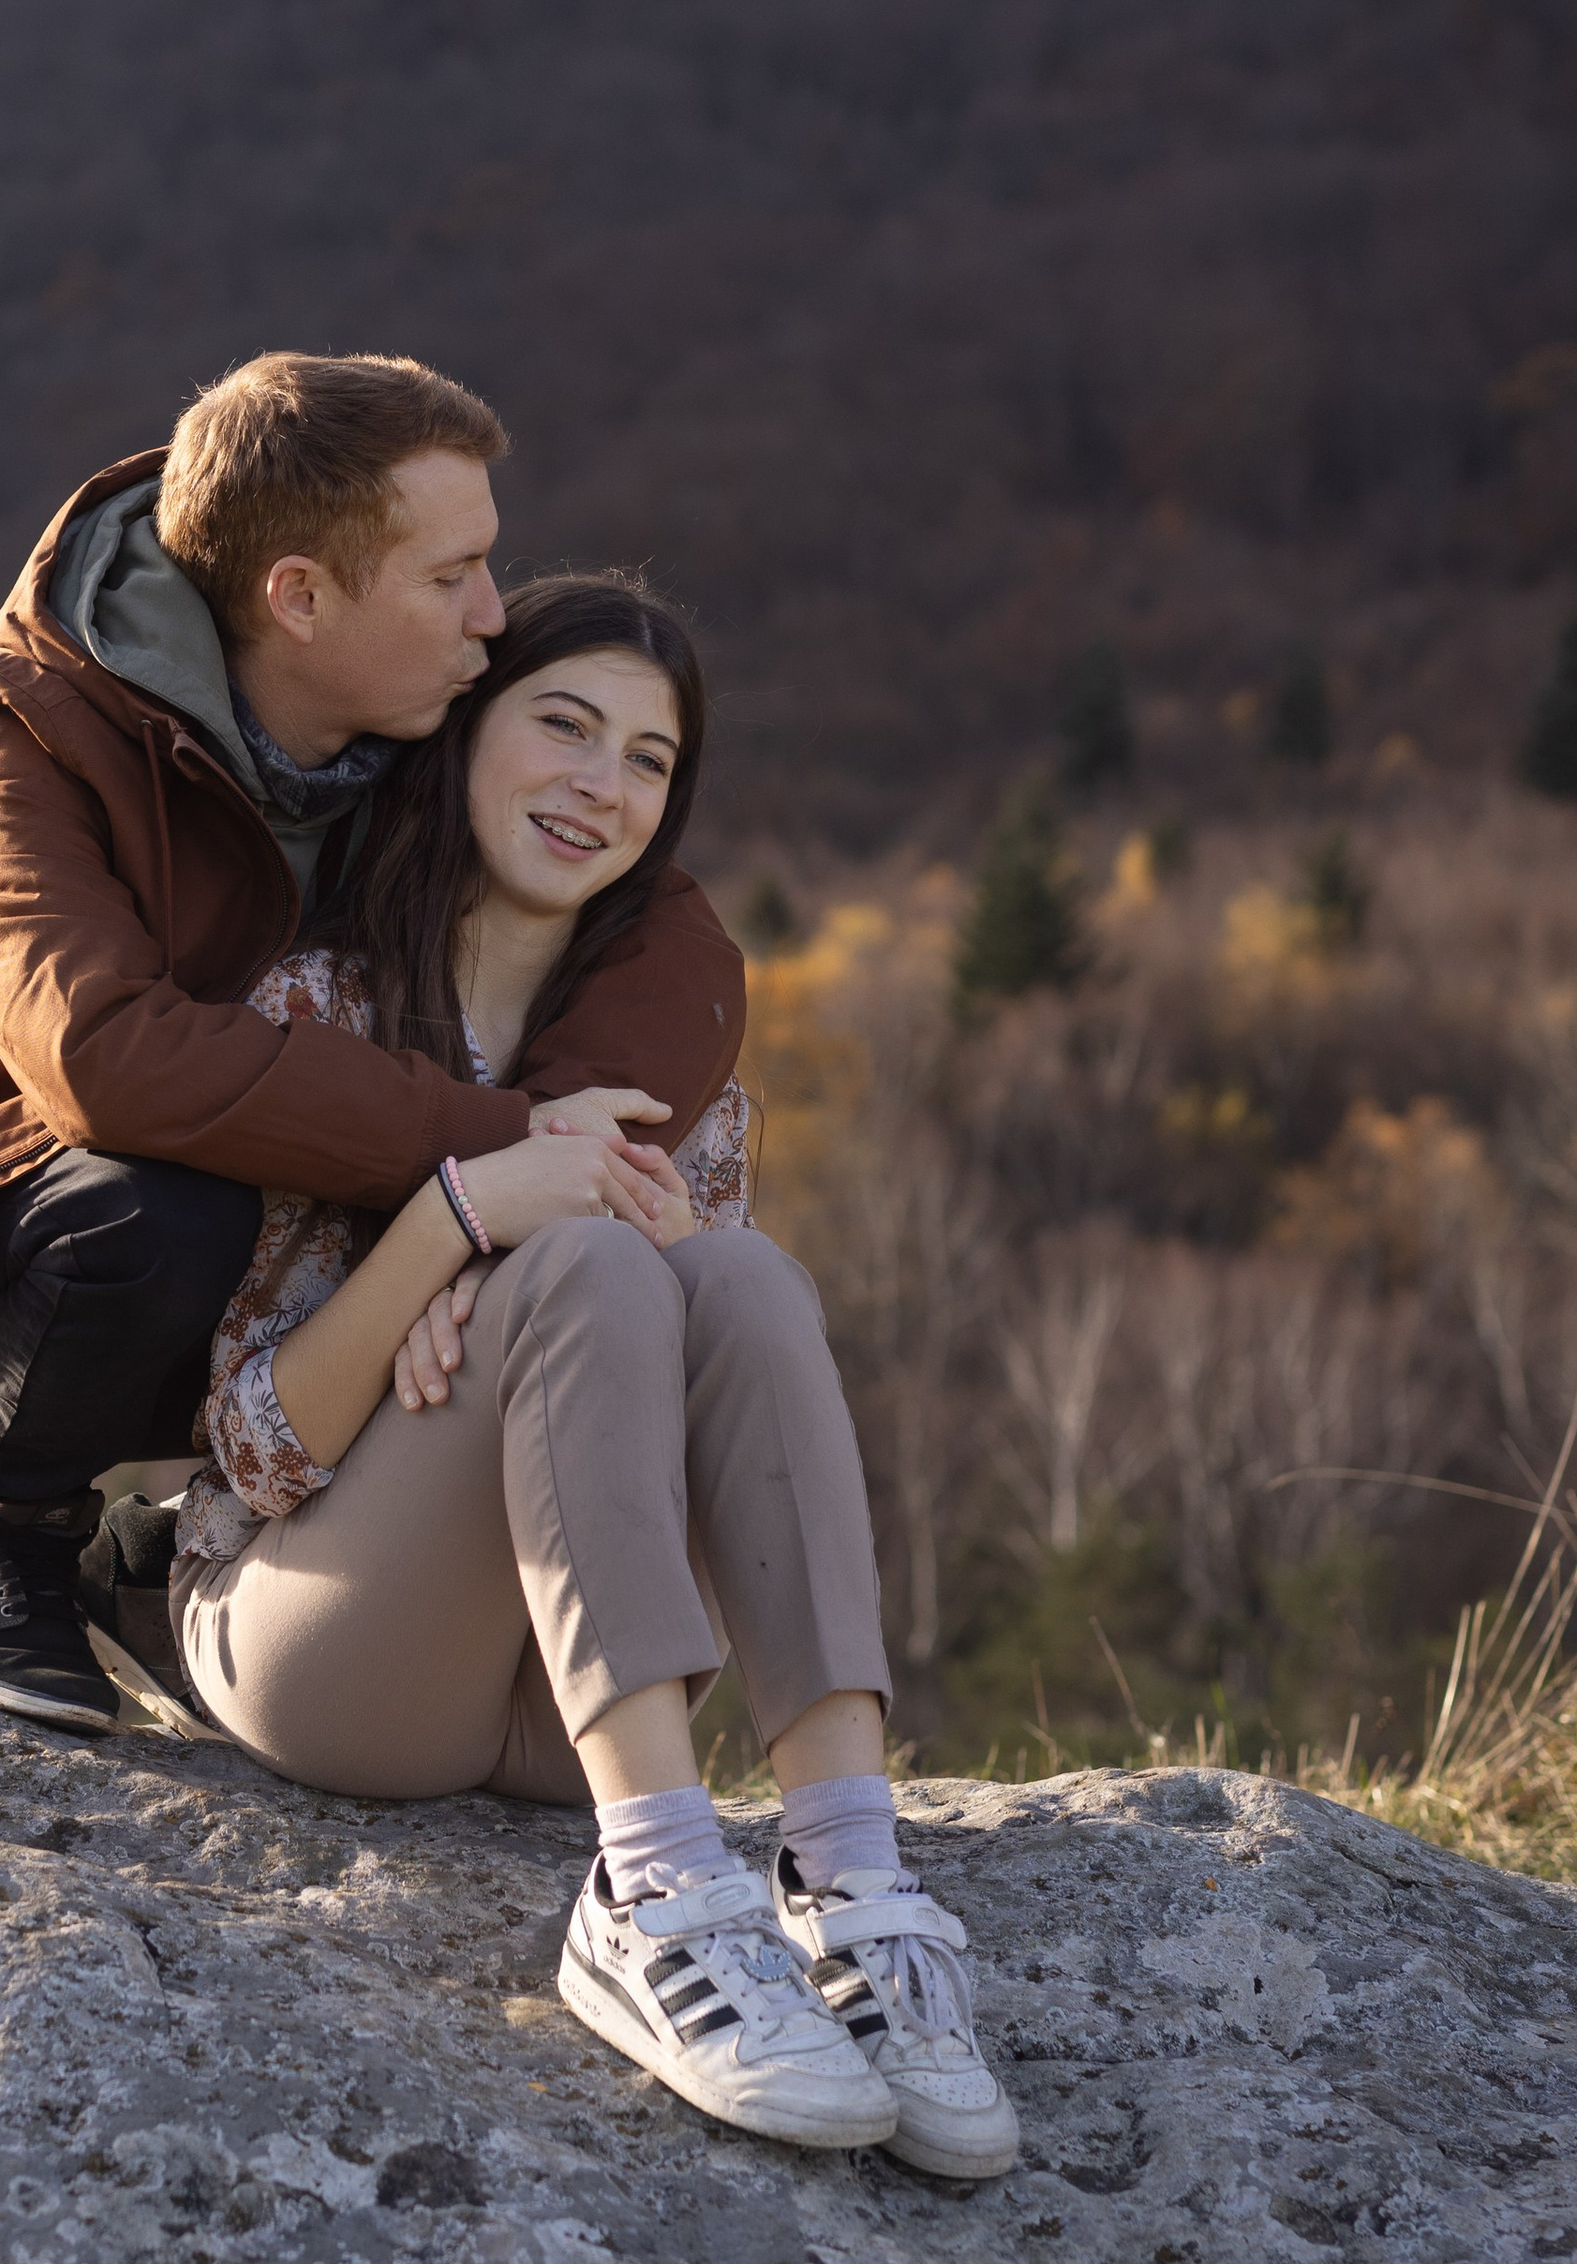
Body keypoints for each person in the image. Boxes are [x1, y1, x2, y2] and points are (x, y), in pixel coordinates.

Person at [0, 354, 746, 1731]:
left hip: (194, 1265)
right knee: (179, 1203)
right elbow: (106, 1060)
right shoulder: (17, 732)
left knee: (370, 1243)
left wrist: (539, 1187)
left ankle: (162, 1562)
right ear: (300, 597)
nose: (492, 618)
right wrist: (493, 1157)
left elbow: (663, 926)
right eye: (451, 579)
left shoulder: (410, 724)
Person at [169, 576, 1021, 2177]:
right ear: (465, 730)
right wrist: (457, 1228)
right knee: (581, 1256)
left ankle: (851, 1881)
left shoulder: (668, 1068)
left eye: (646, 758)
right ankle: (656, 1899)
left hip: (566, 1710)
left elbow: (705, 1394)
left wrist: (537, 1287)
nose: (598, 783)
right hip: (326, 1644)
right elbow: (254, 1448)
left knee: (745, 1276)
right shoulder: (315, 1007)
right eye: (562, 723)